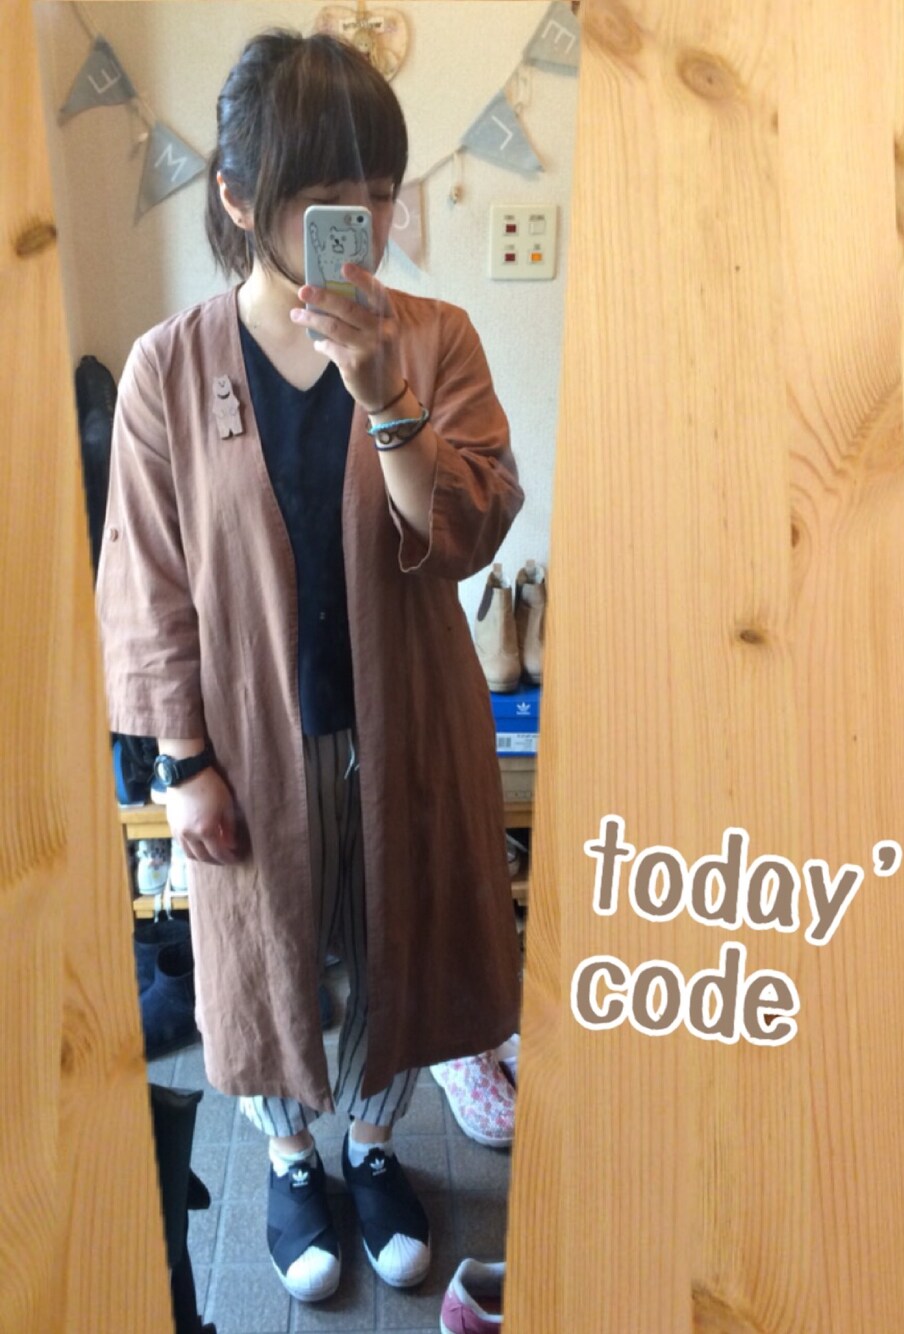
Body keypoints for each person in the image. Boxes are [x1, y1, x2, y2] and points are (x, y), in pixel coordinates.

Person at [96, 29, 523, 1306]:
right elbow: (149, 579)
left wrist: (386, 397)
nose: (364, 222)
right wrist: (181, 764)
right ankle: (291, 1159)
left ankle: (375, 1144)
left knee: (395, 936)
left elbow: (468, 531)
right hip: (246, 737)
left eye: (380, 190)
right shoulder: (169, 368)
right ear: (239, 198)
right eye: (328, 195)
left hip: (407, 722)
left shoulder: (434, 338)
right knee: (268, 952)